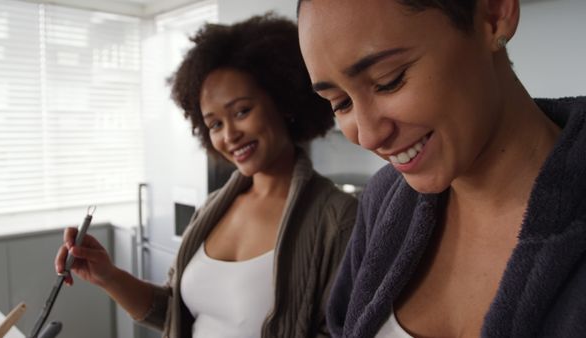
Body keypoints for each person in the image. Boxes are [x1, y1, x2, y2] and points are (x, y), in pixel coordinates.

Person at [55, 14, 358, 338]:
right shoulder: (213, 208)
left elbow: (342, 331)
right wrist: (108, 275)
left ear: (283, 101)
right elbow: (173, 311)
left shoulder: (337, 219)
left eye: (242, 111)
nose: (229, 135)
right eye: (214, 124)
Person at [296, 0, 586, 337]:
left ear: (493, 15)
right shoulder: (383, 200)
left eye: (389, 81)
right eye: (341, 103)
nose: (369, 135)